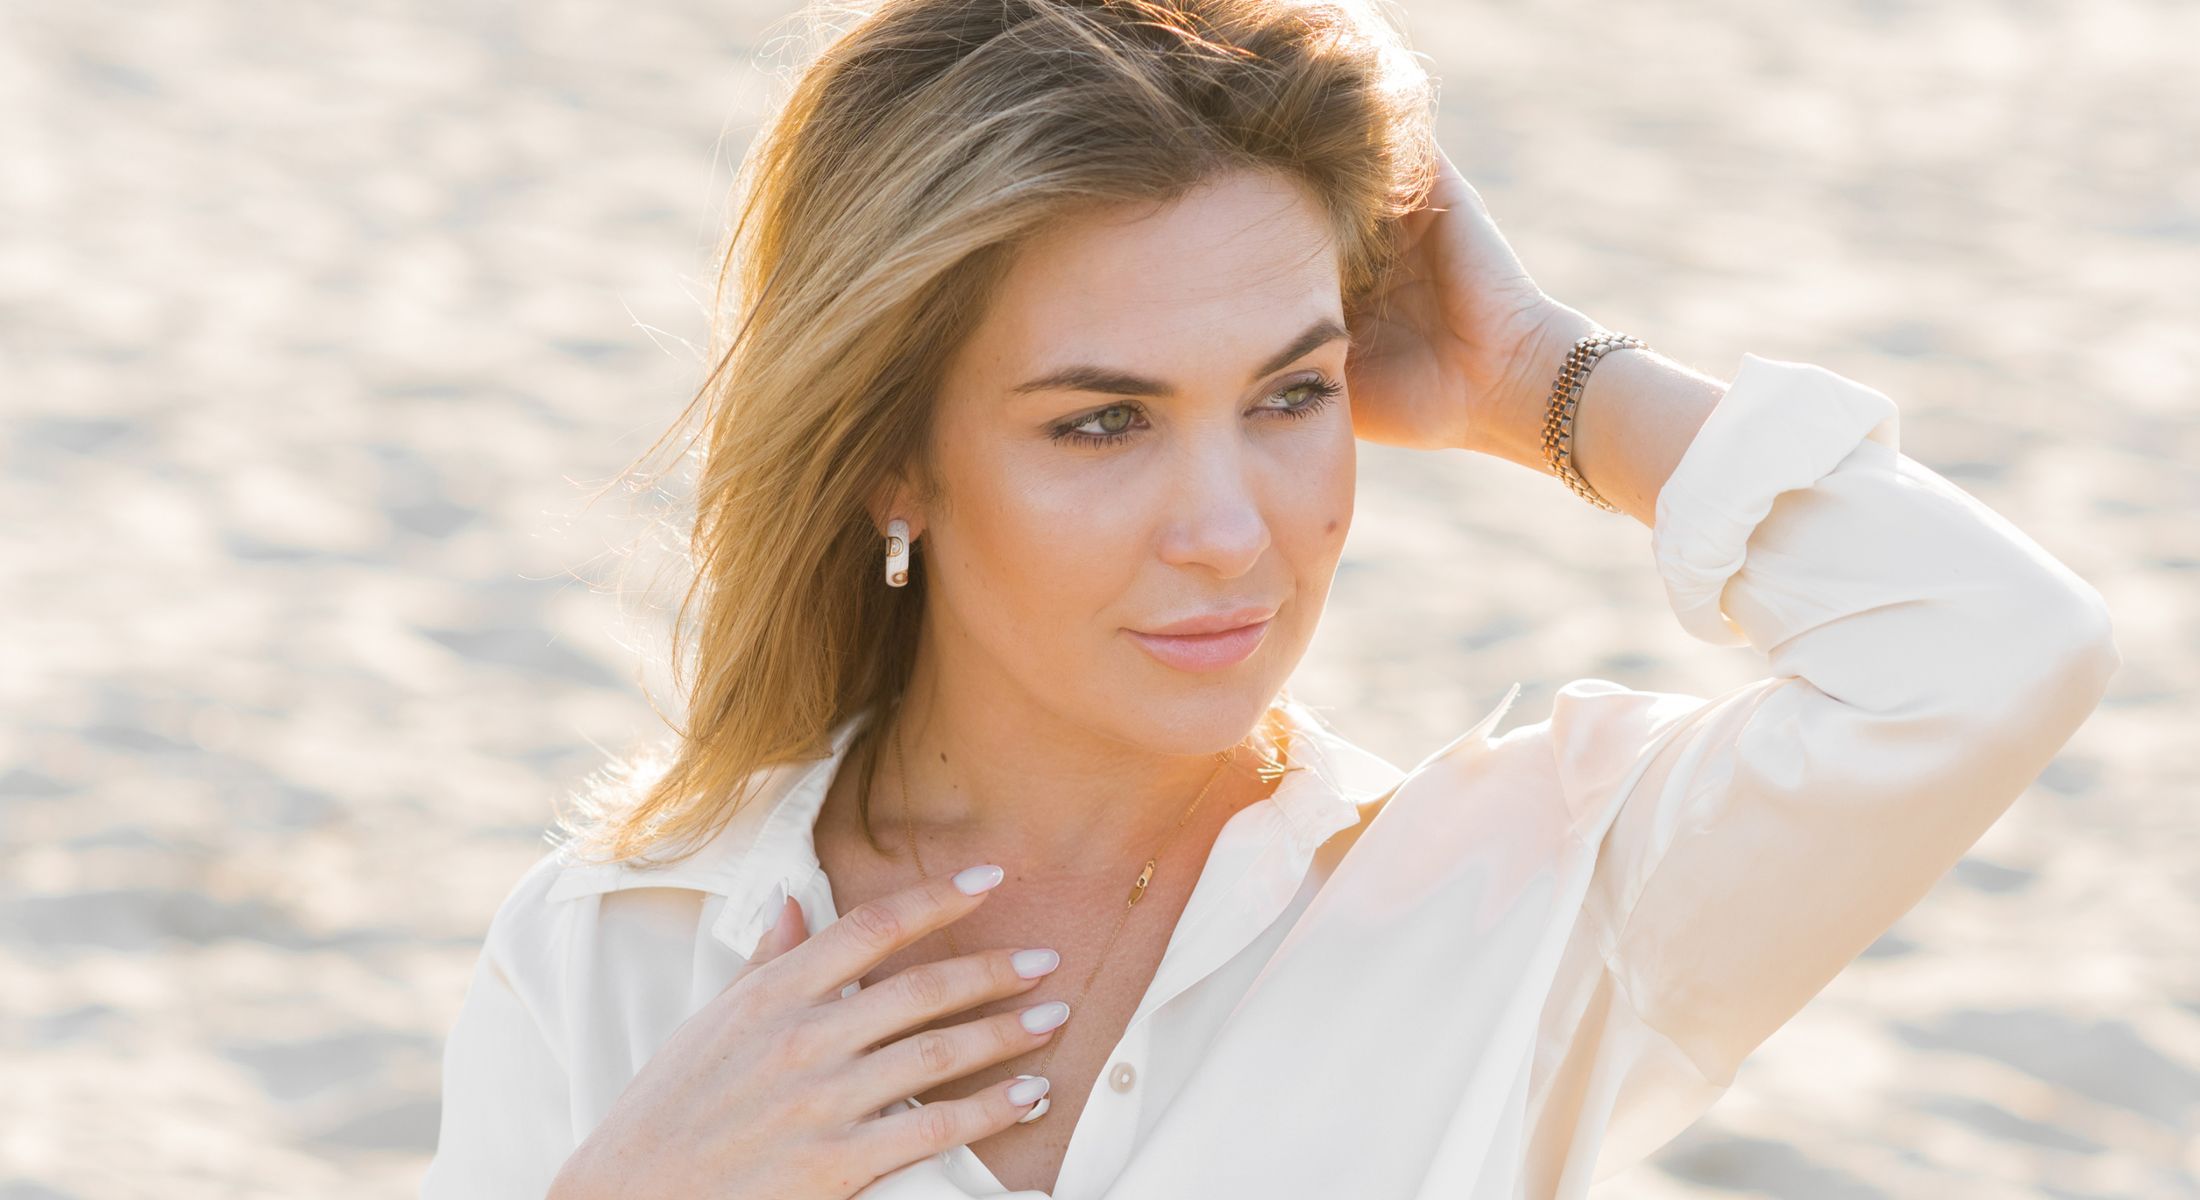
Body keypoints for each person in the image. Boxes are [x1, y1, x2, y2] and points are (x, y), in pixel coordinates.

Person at [419, 0, 2121, 1196]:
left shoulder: (1536, 898)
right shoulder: (618, 956)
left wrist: (1537, 375)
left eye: (1293, 394)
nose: (1233, 532)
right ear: (889, 461)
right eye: (1104, 422)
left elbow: (1990, 650)